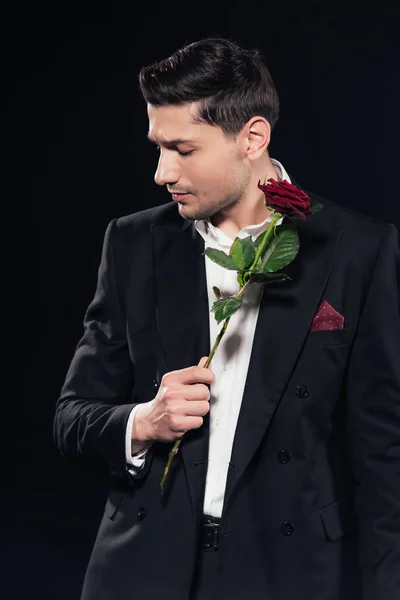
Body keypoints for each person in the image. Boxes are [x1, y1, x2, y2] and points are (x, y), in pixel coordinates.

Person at [53, 37, 400, 600]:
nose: (162, 173)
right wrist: (143, 421)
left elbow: (385, 457)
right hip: (144, 569)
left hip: (291, 572)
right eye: (157, 148)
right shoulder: (133, 243)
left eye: (183, 150)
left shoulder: (360, 249)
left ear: (252, 138)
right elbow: (71, 418)